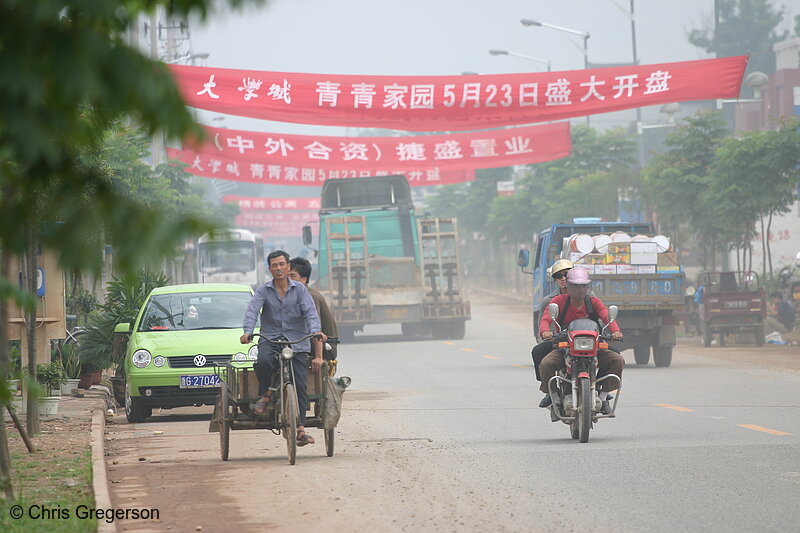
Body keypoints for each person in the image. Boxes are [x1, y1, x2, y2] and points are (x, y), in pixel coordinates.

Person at [241, 250, 324, 447]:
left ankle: (301, 428)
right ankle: (265, 394)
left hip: (297, 340)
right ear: (270, 269)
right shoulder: (263, 290)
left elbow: (310, 314)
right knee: (263, 361)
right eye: (274, 265)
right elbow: (252, 311)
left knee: (300, 383)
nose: (278, 268)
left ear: (288, 267)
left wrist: (316, 332)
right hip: (271, 338)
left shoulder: (301, 290)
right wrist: (247, 331)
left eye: (281, 264)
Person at [538, 267, 625, 415]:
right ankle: (554, 396)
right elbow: (546, 319)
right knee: (546, 364)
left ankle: (603, 398)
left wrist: (616, 331)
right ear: (569, 286)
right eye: (576, 286)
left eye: (583, 286)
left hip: (593, 345)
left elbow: (605, 316)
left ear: (588, 287)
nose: (580, 290)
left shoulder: (593, 302)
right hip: (565, 346)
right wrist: (545, 331)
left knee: (617, 360)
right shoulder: (558, 301)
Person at [531, 260, 573, 400]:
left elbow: (600, 318)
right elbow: (544, 322)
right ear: (554, 279)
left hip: (583, 340)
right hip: (560, 341)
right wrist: (546, 334)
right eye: (559, 276)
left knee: (613, 356)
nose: (563, 279)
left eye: (566, 274)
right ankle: (550, 389)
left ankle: (600, 389)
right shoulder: (550, 301)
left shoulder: (588, 297)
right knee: (538, 352)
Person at [289, 257, 339, 359]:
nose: (288, 280)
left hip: (324, 344)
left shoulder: (311, 296)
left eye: (293, 276)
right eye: (287, 276)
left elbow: (316, 328)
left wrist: (318, 357)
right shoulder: (293, 295)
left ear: (304, 279)